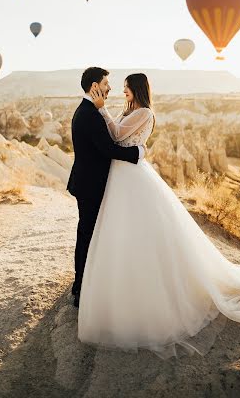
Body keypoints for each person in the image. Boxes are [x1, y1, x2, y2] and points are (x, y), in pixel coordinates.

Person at [77, 72, 240, 358]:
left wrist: (103, 112)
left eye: (125, 88)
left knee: (141, 228)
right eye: (118, 87)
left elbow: (115, 136)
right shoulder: (129, 110)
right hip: (121, 176)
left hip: (131, 178)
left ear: (136, 89)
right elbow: (116, 139)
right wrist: (111, 119)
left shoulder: (144, 113)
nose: (119, 91)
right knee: (122, 230)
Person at [67, 67, 145, 308]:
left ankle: (84, 283)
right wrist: (137, 152)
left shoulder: (87, 110)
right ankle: (81, 288)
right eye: (106, 84)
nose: (111, 88)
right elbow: (108, 149)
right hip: (91, 185)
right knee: (88, 235)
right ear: (94, 86)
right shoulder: (90, 113)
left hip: (87, 182)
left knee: (88, 234)